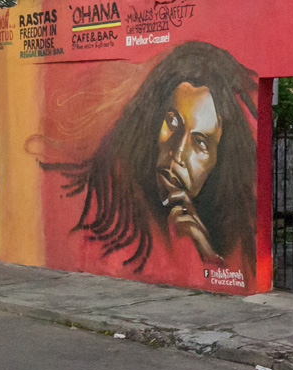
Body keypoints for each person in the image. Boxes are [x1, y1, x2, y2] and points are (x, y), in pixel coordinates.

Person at [43, 41, 258, 280]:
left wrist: (204, 253)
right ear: (154, 122)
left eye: (200, 143)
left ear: (220, 161)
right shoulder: (117, 202)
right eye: (173, 122)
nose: (178, 153)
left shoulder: (233, 235)